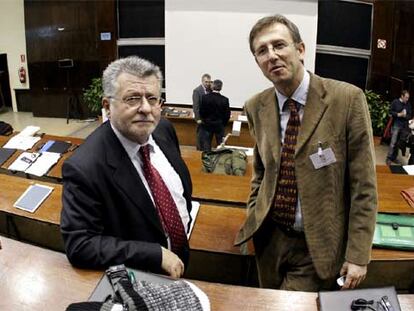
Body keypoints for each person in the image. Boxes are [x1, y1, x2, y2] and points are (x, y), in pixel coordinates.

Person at [235, 15, 378, 291]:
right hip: (269, 241)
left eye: (279, 45)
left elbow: (364, 187)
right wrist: (254, 212)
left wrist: (358, 254)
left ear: (300, 50)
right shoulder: (256, 106)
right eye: (262, 51)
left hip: (318, 246)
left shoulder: (346, 100)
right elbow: (262, 171)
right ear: (257, 62)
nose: (272, 56)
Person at [61, 56, 193, 279]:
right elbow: (80, 244)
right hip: (140, 276)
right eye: (132, 99)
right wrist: (153, 254)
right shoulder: (84, 166)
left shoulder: (163, 129)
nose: (145, 109)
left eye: (152, 98)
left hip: (181, 259)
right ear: (107, 106)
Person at [199, 79, 231, 151]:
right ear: (221, 88)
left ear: (212, 86)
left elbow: (201, 112)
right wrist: (223, 124)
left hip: (207, 125)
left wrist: (204, 121)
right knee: (221, 146)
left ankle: (206, 160)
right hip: (219, 125)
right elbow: (227, 115)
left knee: (206, 146)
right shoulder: (225, 100)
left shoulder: (205, 97)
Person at [386, 90, 411, 165]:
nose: (407, 99)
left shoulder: (408, 104)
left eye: (408, 98)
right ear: (402, 96)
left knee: (398, 143)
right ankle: (389, 158)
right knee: (393, 143)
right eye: (406, 97)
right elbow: (390, 112)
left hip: (404, 127)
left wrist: (405, 115)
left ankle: (394, 158)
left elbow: (409, 115)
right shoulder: (395, 102)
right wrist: (398, 114)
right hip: (396, 125)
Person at [193, 73, 212, 150]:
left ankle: (206, 150)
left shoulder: (210, 90)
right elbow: (196, 106)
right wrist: (198, 119)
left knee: (208, 136)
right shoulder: (197, 91)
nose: (208, 83)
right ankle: (199, 150)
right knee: (200, 136)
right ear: (202, 81)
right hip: (201, 118)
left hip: (208, 118)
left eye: (209, 82)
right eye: (206, 82)